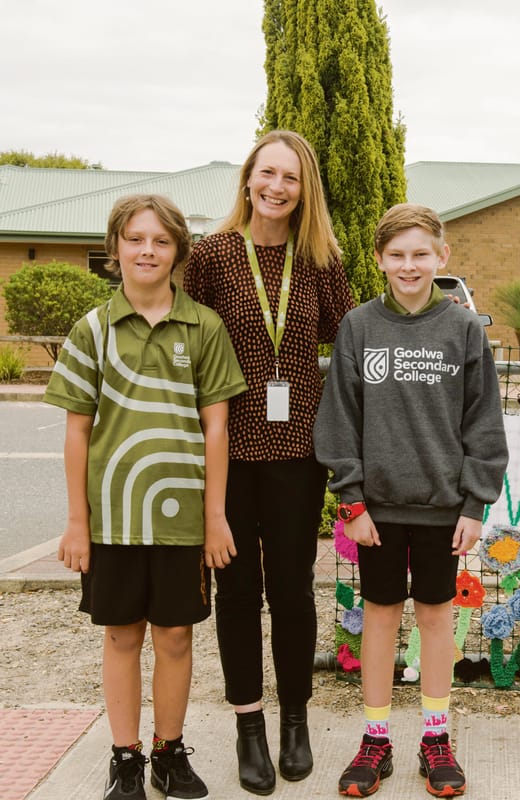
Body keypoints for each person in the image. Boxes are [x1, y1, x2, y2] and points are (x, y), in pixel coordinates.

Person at [45, 193, 247, 800]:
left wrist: (216, 518)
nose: (147, 250)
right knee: (120, 635)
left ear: (178, 251)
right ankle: (125, 756)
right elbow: (77, 429)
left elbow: (217, 426)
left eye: (160, 241)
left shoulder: (204, 326)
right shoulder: (93, 329)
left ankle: (168, 752)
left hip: (183, 518)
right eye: (135, 239)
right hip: (112, 516)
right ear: (115, 249)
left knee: (176, 636)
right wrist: (76, 523)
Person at [313, 203, 509, 797]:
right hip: (376, 511)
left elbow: (484, 423)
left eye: (420, 253)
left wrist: (475, 504)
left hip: (442, 510)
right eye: (396, 255)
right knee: (378, 615)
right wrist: (351, 500)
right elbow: (340, 418)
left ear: (441, 257)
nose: (408, 264)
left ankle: (435, 734)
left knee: (435, 617)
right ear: (379, 260)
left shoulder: (463, 330)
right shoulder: (359, 326)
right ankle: (375, 738)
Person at [182, 129, 355, 795]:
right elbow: (185, 340)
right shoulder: (213, 256)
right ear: (248, 179)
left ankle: (294, 722)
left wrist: (425, 316)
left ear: (304, 188)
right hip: (228, 452)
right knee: (236, 592)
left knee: (291, 589)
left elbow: (352, 336)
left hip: (297, 454)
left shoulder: (320, 261)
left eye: (291, 177)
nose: (277, 187)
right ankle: (247, 726)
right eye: (267, 174)